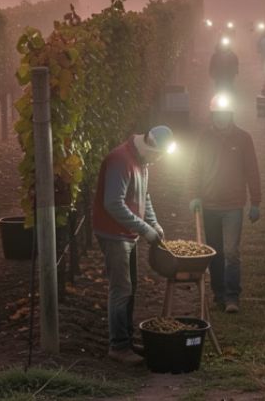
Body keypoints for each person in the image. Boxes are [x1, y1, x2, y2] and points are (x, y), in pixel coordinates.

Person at [93, 125, 173, 365]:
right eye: (157, 155)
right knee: (121, 289)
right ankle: (118, 346)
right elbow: (113, 203)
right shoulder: (121, 161)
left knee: (131, 286)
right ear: (149, 147)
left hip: (128, 233)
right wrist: (145, 230)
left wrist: (154, 223)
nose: (158, 160)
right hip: (113, 233)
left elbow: (144, 195)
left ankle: (126, 339)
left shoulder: (141, 161)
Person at [190, 95, 262, 313]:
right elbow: (196, 168)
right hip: (210, 204)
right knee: (215, 252)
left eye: (224, 114)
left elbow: (252, 170)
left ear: (230, 115)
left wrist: (255, 201)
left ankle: (232, 296)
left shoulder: (243, 139)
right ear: (213, 115)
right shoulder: (205, 138)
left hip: (233, 205)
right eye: (217, 115)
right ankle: (218, 293)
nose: (221, 118)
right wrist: (194, 195)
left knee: (231, 251)